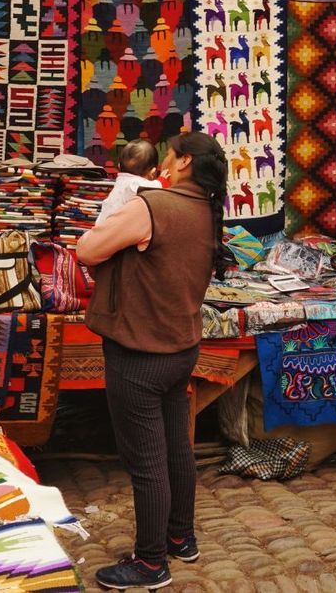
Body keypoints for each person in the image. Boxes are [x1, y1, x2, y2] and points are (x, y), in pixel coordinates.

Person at [75, 131, 231, 591]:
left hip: (139, 353)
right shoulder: (207, 210)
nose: (164, 160)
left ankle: (149, 563)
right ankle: (181, 537)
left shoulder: (153, 206)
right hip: (180, 348)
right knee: (177, 448)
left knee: (146, 461)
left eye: (169, 154)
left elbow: (87, 250)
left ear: (183, 163)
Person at [96, 138, 163, 224]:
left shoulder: (121, 180)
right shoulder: (135, 184)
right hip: (116, 230)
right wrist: (162, 179)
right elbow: (155, 188)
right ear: (153, 173)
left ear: (119, 166)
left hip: (102, 225)